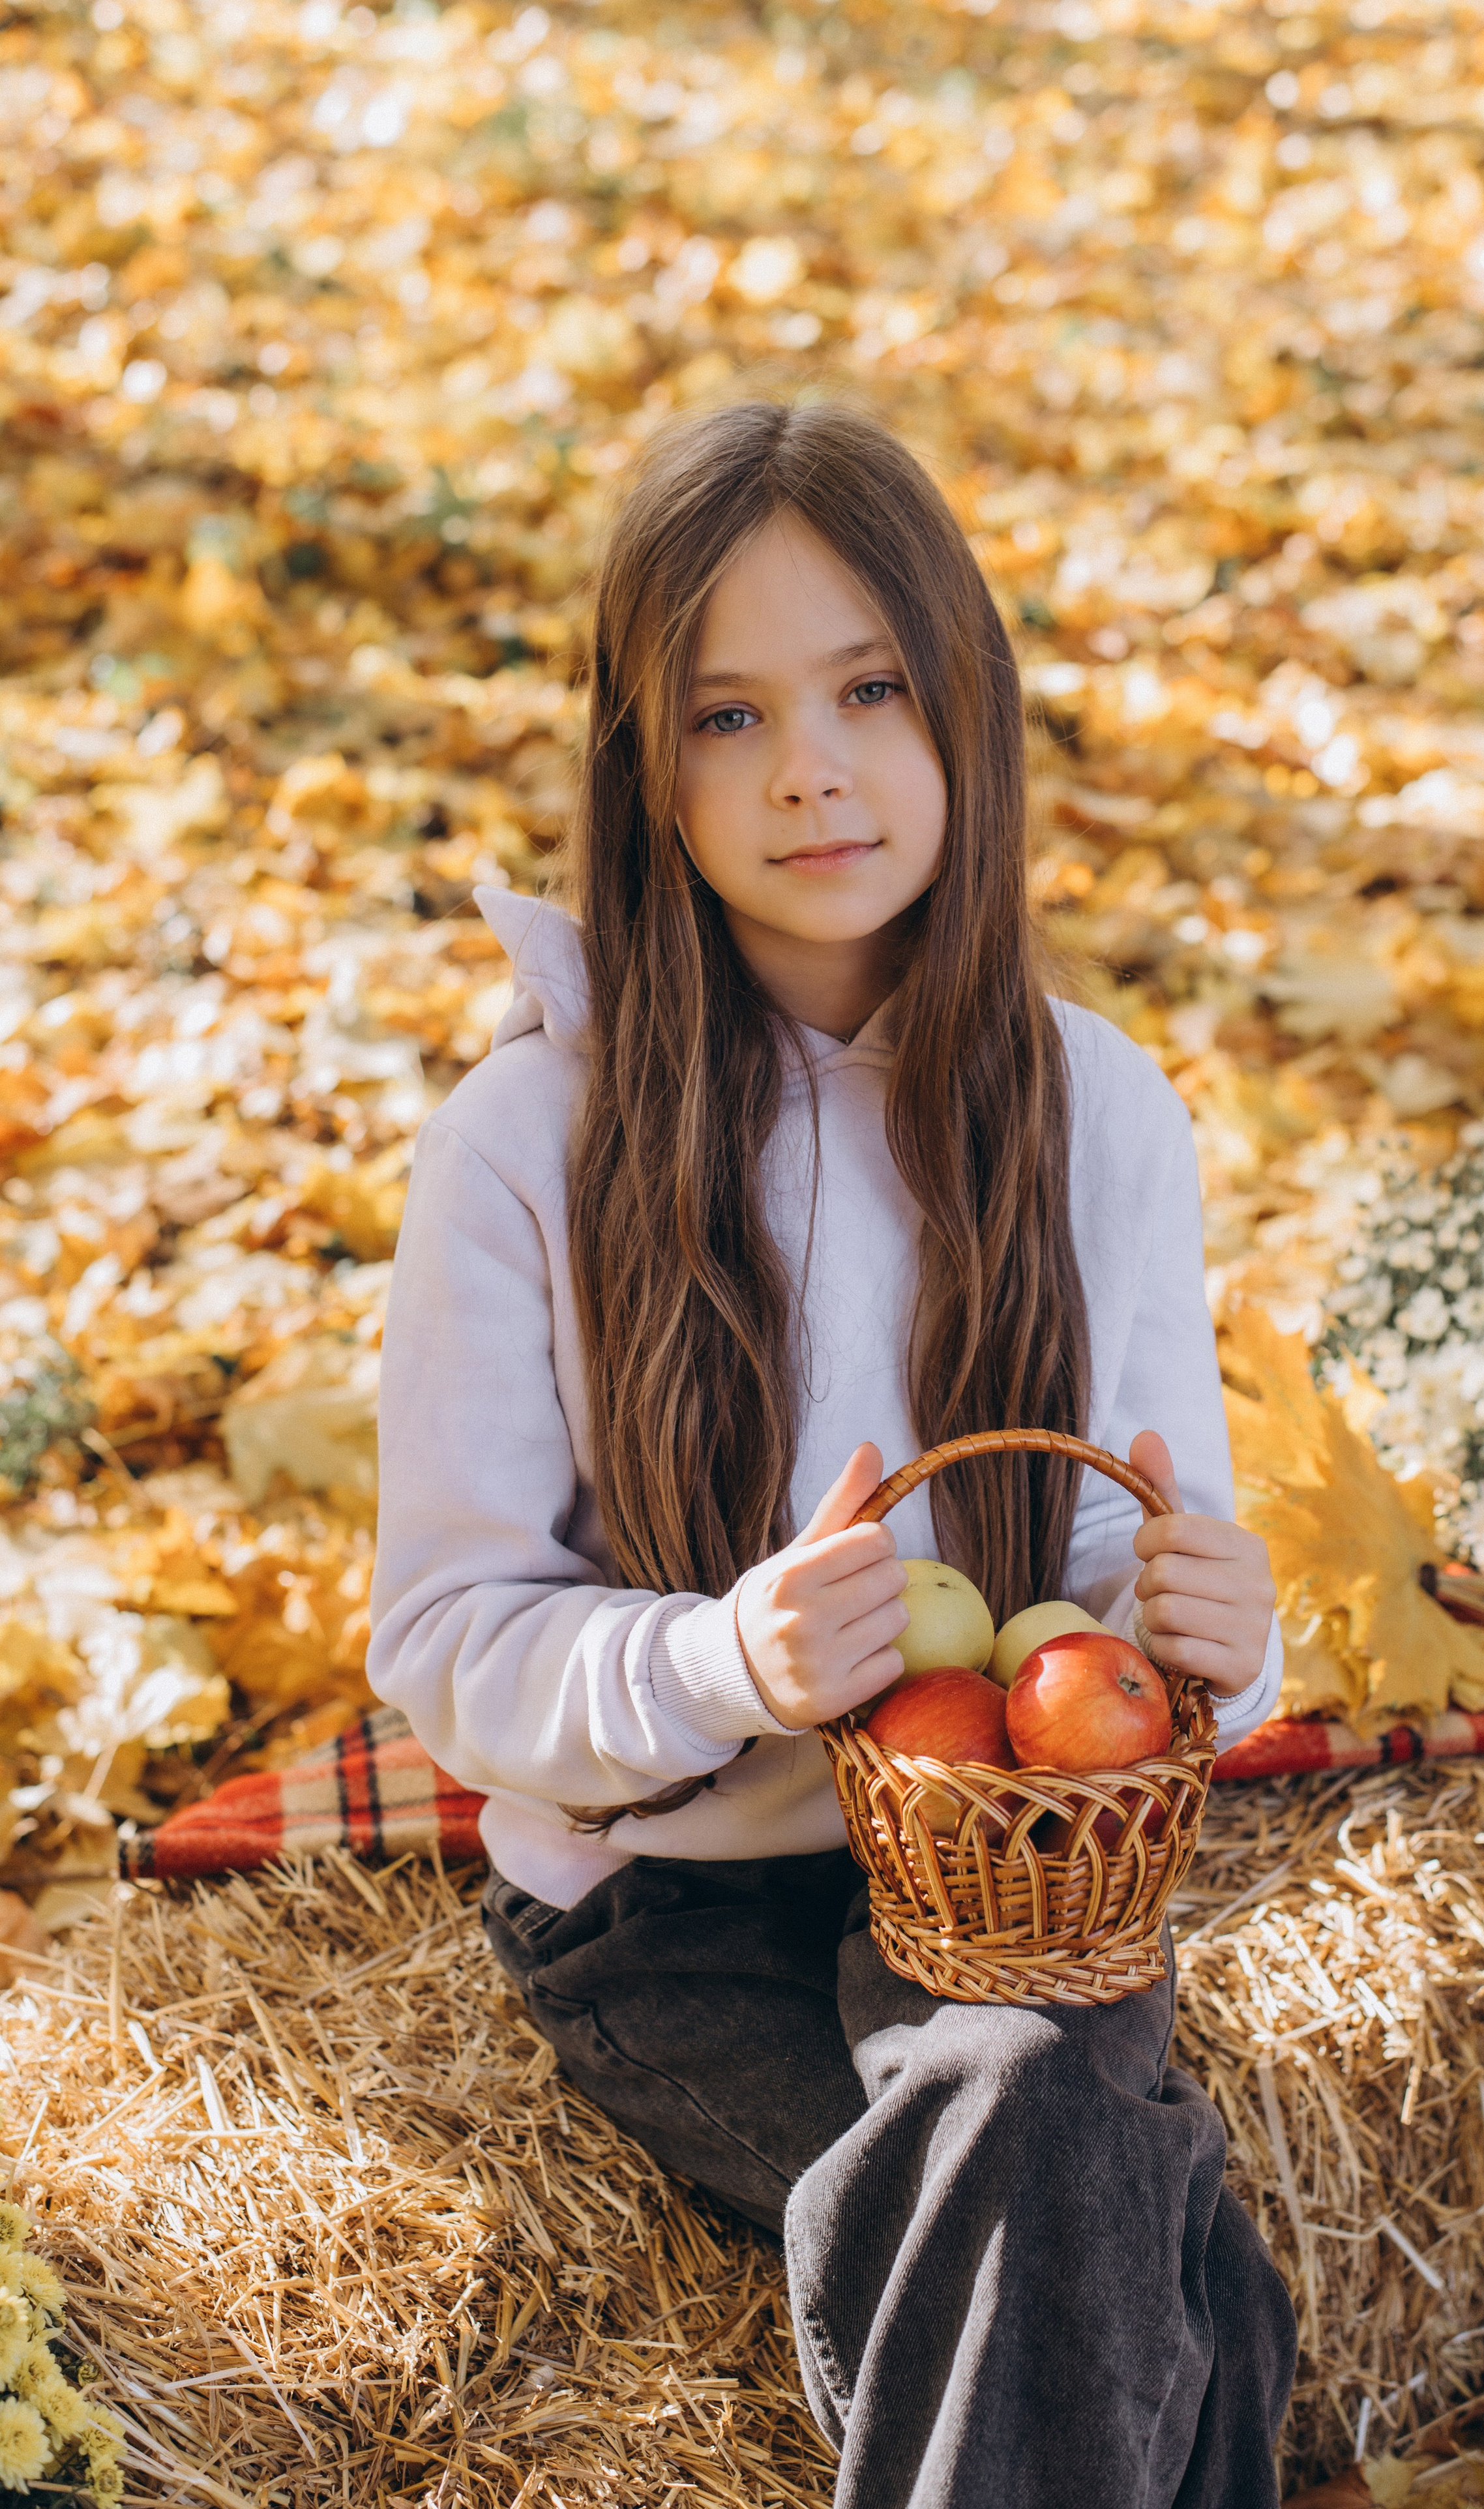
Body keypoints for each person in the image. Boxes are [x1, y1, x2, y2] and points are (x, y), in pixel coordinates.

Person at [367, 398, 1297, 2508]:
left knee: (1042, 2124)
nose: (813, 766)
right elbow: (445, 1632)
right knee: (1142, 2260)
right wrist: (723, 1666)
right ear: (647, 773)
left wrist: (1217, 1623)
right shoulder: (529, 1147)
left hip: (1003, 1872)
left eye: (871, 687)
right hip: (673, 1895)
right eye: (730, 714)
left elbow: (1119, 1540)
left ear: (964, 701)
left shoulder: (1097, 1109)